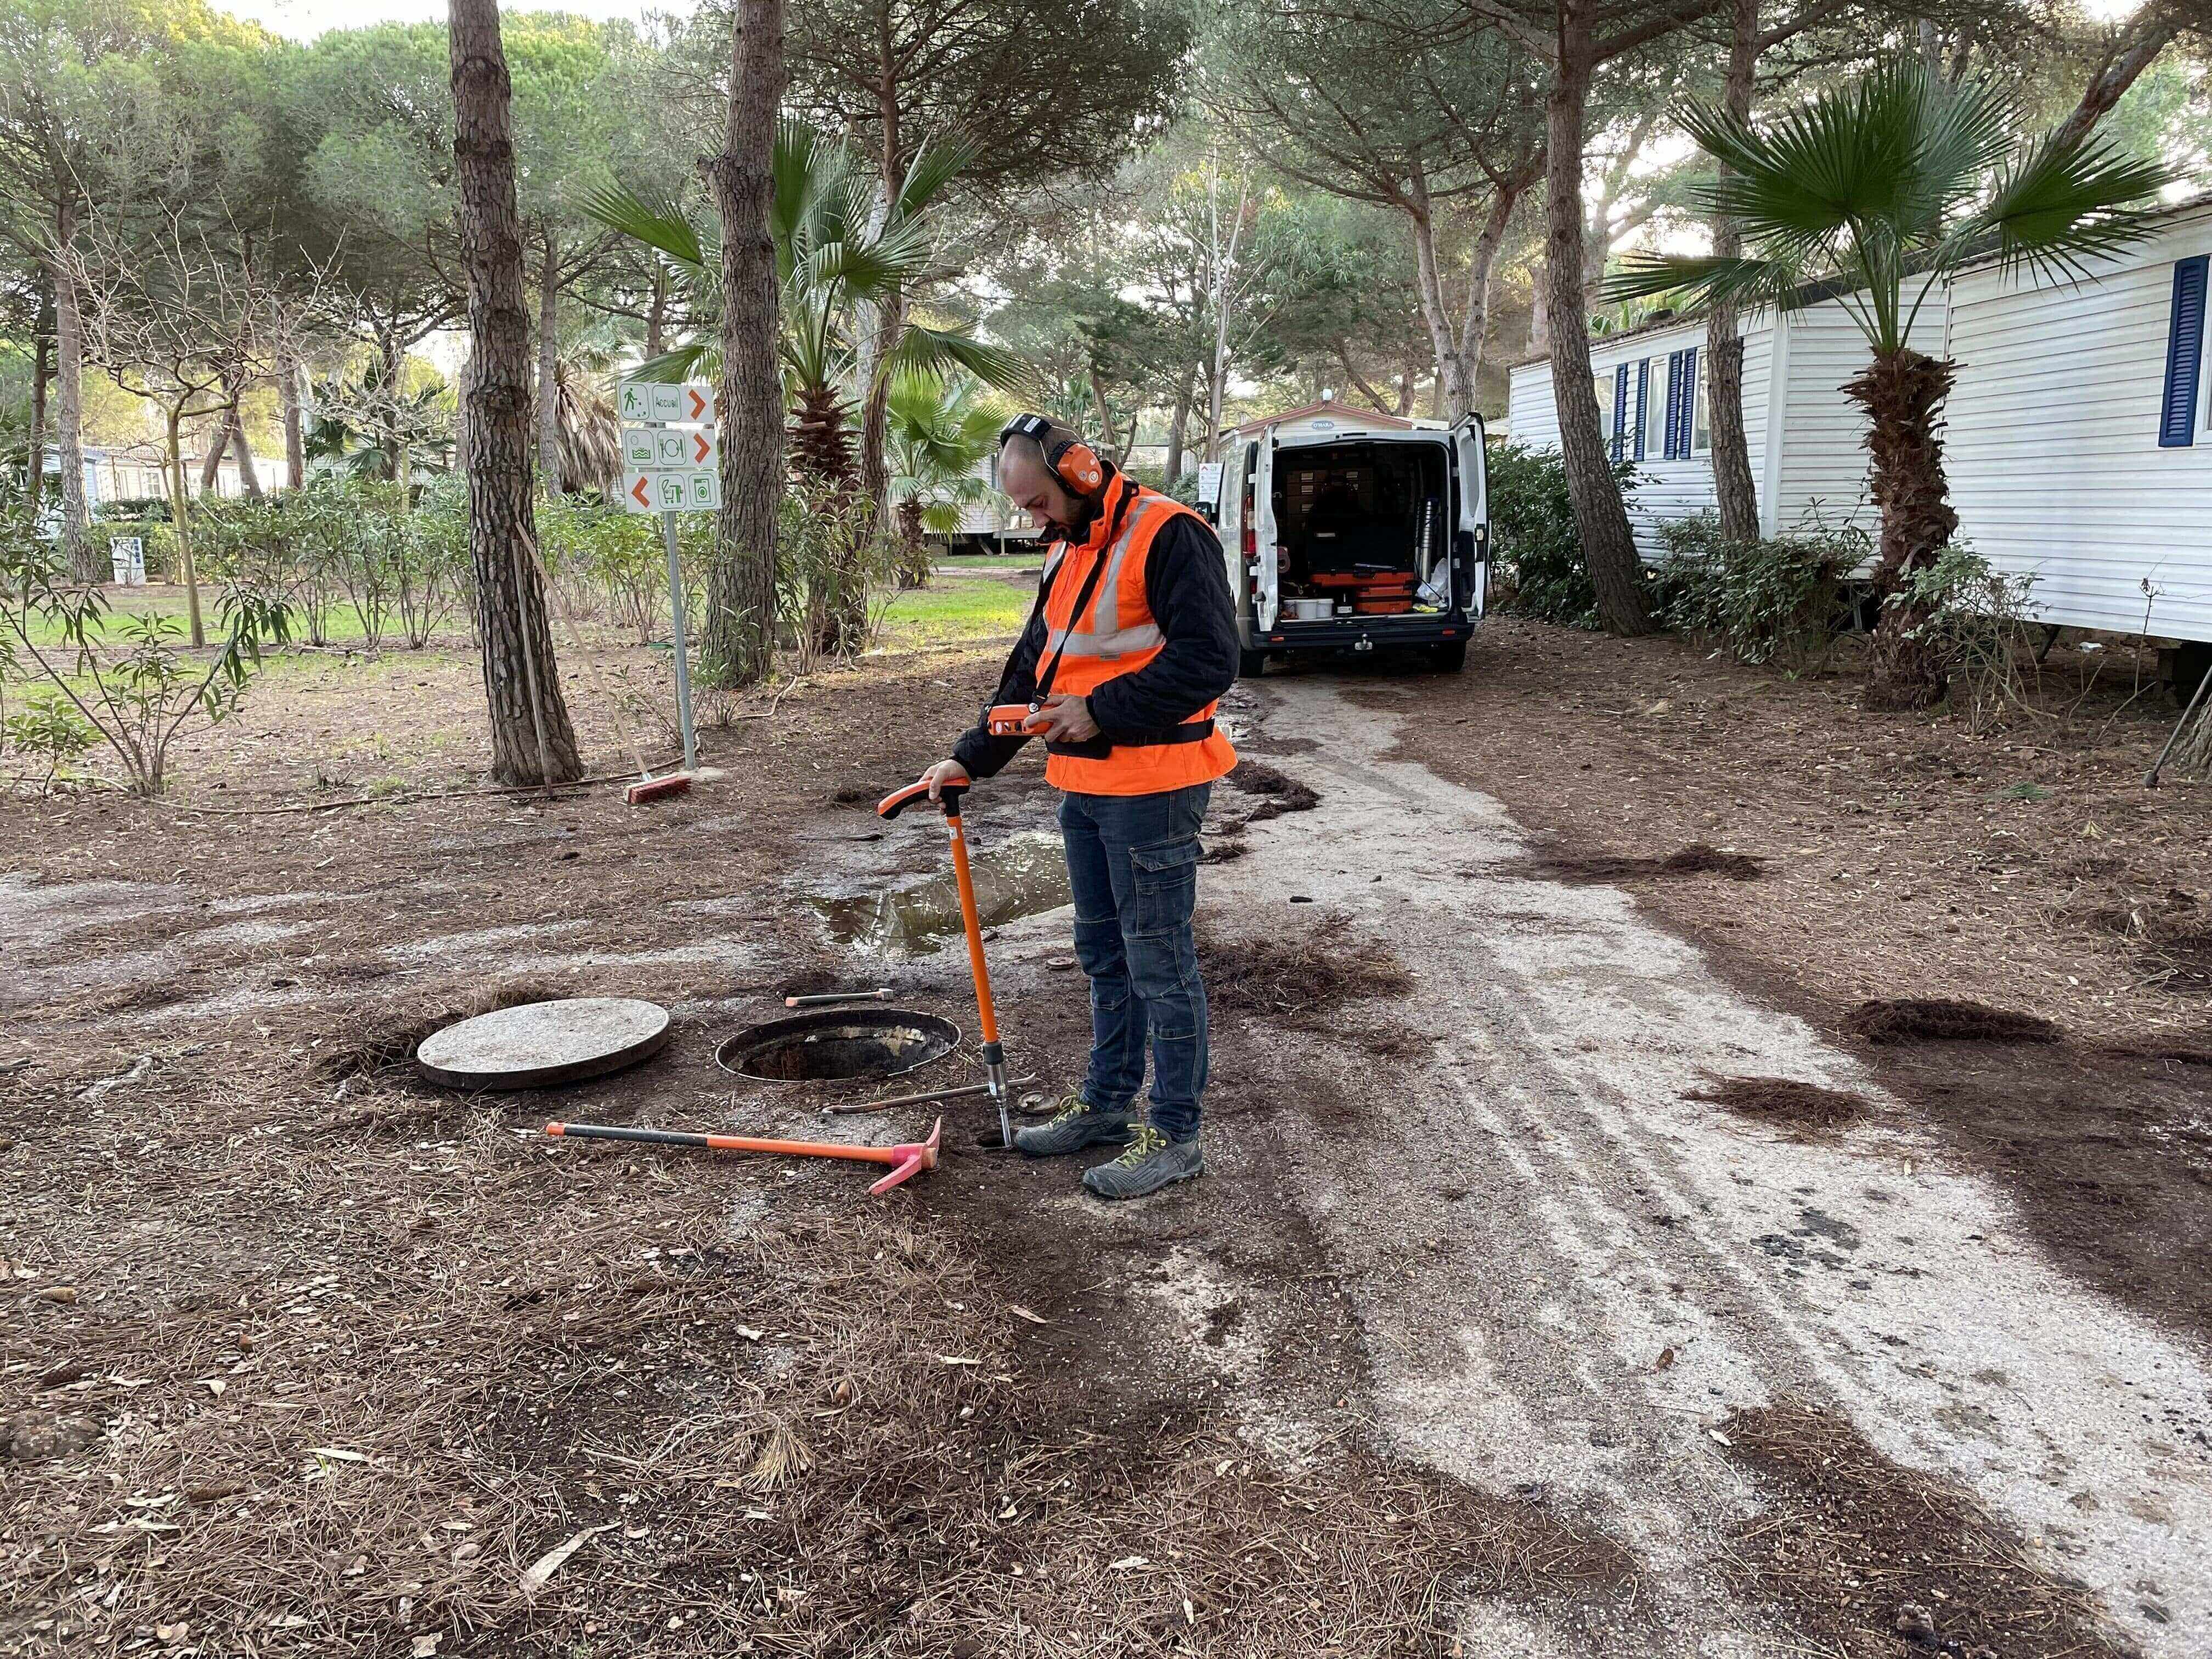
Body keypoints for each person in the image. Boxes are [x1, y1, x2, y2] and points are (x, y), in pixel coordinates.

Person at [913, 415, 1238, 1199]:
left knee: (1159, 963)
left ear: (1082, 475)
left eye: (1037, 504)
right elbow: (1036, 663)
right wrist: (970, 756)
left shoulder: (1169, 534)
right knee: (1104, 957)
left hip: (1154, 786)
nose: (1032, 521)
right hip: (1084, 788)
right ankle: (1105, 1106)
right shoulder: (1069, 546)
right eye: (1025, 508)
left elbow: (1212, 659)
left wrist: (1104, 710)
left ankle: (1177, 1134)